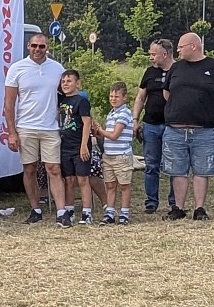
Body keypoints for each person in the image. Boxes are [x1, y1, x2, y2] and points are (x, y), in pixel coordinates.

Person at [162, 32, 214, 221]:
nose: (177, 50)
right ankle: (178, 208)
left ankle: (199, 208)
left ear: (193, 46)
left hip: (204, 129)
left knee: (202, 170)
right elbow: (166, 94)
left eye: (180, 46)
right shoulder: (176, 68)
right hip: (175, 128)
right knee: (177, 169)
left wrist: (212, 107)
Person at [2, 34, 69, 225]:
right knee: (29, 169)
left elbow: (68, 93)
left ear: (47, 47)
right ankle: (35, 209)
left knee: (54, 169)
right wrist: (12, 132)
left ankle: (61, 212)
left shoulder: (57, 68)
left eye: (42, 46)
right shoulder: (17, 68)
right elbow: (9, 104)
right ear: (28, 46)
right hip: (26, 127)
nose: (38, 49)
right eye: (34, 46)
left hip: (50, 127)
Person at [132, 39, 176, 213]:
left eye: (153, 54)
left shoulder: (179, 70)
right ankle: (151, 201)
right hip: (150, 124)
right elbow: (141, 97)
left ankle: (175, 202)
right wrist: (135, 119)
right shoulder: (150, 72)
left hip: (173, 125)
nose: (150, 57)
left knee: (174, 164)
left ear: (164, 54)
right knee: (151, 164)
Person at [93, 81, 135, 225]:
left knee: (124, 185)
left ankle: (124, 213)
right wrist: (98, 132)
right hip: (109, 154)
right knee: (110, 185)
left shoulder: (124, 113)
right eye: (111, 96)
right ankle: (110, 212)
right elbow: (107, 135)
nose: (113, 99)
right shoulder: (112, 113)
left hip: (121, 155)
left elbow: (114, 135)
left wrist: (100, 130)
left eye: (116, 96)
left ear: (124, 97)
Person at [57, 69, 93, 225]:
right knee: (69, 180)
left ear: (77, 83)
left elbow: (87, 122)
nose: (66, 84)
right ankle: (69, 210)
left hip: (79, 145)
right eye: (63, 81)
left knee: (82, 179)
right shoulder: (62, 101)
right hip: (65, 145)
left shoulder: (81, 100)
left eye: (69, 81)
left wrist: (84, 145)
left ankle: (87, 212)